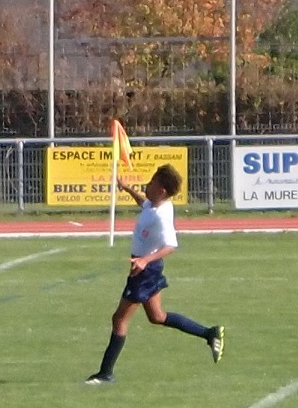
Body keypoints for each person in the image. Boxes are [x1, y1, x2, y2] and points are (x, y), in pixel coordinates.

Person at [85, 164, 224, 384]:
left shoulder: (162, 217)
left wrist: (144, 260)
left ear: (161, 191)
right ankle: (209, 333)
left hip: (145, 271)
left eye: (151, 183)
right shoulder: (156, 204)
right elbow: (144, 203)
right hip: (148, 269)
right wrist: (127, 188)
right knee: (157, 316)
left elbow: (171, 246)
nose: (147, 185)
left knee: (119, 318)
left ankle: (106, 373)